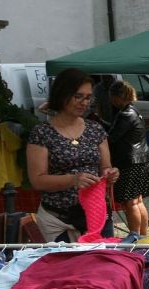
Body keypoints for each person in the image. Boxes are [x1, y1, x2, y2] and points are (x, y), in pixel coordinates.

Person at [26, 68, 119, 241]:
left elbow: (105, 167)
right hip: (57, 220)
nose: (84, 103)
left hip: (96, 215)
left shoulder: (95, 129)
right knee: (63, 267)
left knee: (101, 266)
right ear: (62, 95)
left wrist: (110, 173)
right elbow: (37, 180)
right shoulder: (42, 132)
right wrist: (74, 180)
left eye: (88, 97)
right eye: (78, 96)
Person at [106, 80, 149, 238]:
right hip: (142, 160)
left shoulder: (125, 114)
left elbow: (112, 138)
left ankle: (134, 237)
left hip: (130, 162)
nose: (111, 101)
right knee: (138, 201)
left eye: (112, 97)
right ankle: (143, 237)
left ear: (118, 97)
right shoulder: (133, 110)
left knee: (130, 202)